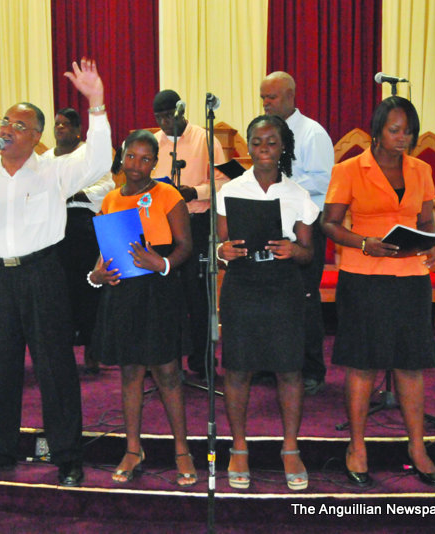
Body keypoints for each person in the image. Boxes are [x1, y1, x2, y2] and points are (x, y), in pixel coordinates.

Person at [0, 58, 111, 487]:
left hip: (42, 276)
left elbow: (100, 160)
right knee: (0, 368)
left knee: (55, 367)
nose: (6, 129)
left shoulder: (53, 170)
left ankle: (68, 456)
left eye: (18, 124)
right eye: (4, 121)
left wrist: (97, 104)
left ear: (36, 136)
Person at [321, 96, 435, 487]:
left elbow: (426, 219)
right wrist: (364, 242)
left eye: (408, 130)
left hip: (410, 277)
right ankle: (357, 447)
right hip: (364, 276)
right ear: (376, 130)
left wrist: (434, 245)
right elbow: (330, 224)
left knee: (410, 365)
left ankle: (417, 447)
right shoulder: (349, 169)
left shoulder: (421, 169)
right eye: (394, 130)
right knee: (363, 364)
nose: (402, 137)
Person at [89, 129, 197, 487]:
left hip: (159, 290)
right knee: (130, 373)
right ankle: (133, 449)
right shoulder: (110, 200)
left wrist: (161, 263)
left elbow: (185, 246)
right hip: (122, 295)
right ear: (121, 157)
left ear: (155, 162)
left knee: (167, 372)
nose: (137, 164)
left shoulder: (167, 195)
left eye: (146, 158)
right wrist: (97, 274)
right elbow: (104, 252)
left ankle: (182, 450)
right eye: (131, 156)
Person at [216, 115, 317, 491]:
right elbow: (220, 245)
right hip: (242, 283)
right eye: (257, 142)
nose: (263, 149)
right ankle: (238, 447)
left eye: (271, 142)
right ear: (247, 147)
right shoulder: (230, 191)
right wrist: (223, 251)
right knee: (238, 369)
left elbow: (309, 253)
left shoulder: (298, 195)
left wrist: (294, 249)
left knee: (288, 369)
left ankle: (290, 448)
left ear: (283, 147)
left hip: (283, 285)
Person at [260, 72, 335, 395]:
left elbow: (322, 182)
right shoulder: (267, 133)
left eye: (271, 97)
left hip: (305, 227)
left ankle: (312, 369)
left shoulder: (312, 133)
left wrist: (282, 186)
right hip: (272, 223)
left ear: (290, 96)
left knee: (303, 297)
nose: (265, 103)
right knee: (270, 297)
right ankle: (272, 364)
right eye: (263, 97)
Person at [150, 90, 227, 377]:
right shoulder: (154, 143)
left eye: (169, 116)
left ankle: (202, 361)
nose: (165, 122)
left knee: (198, 296)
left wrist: (194, 191)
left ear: (181, 113)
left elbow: (223, 182)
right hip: (161, 228)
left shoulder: (206, 139)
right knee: (166, 297)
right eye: (159, 118)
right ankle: (164, 362)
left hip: (196, 223)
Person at [45, 107, 114, 374]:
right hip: (53, 230)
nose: (60, 128)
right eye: (57, 124)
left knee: (88, 290)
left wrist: (72, 194)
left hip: (82, 228)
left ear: (77, 130)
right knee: (59, 291)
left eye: (65, 125)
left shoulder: (89, 155)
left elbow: (106, 187)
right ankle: (62, 350)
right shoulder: (45, 158)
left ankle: (92, 350)